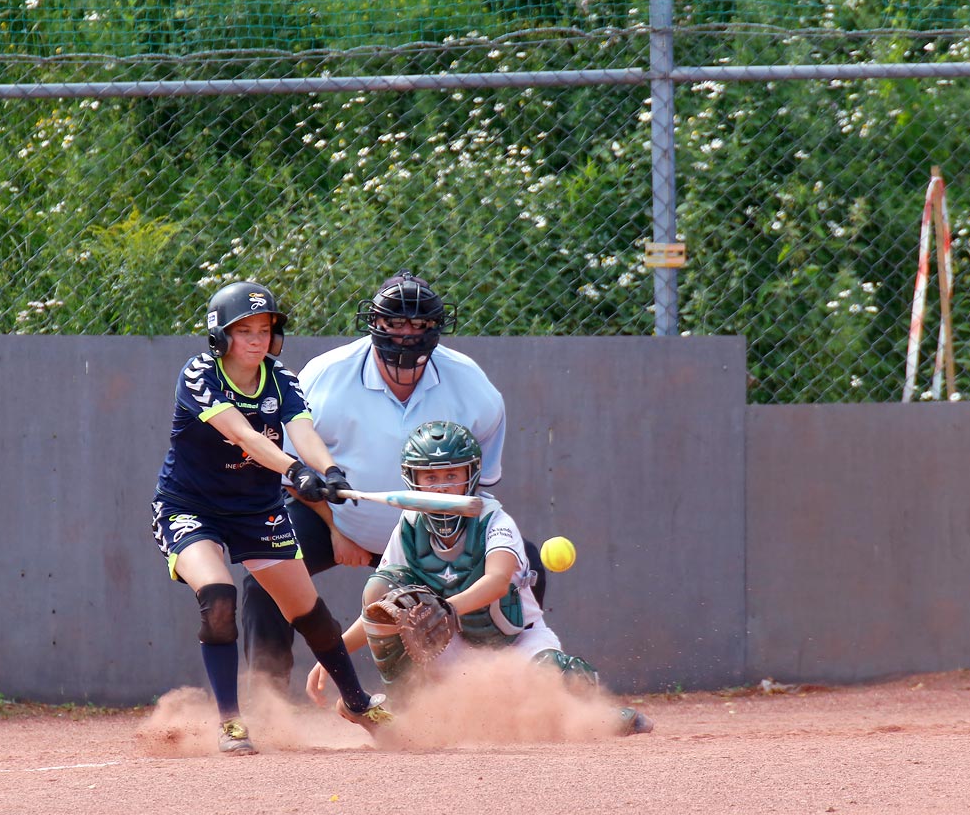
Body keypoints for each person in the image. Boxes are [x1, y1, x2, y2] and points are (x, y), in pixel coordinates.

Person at [240, 272, 549, 686]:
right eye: (395, 323)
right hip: (338, 522)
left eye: (419, 325)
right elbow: (293, 469)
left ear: (436, 328)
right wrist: (335, 531)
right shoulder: (326, 376)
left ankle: (501, 687)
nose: (407, 335)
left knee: (523, 562)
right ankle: (268, 700)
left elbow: (477, 486)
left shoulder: (472, 386)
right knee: (267, 572)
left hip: (433, 537)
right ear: (375, 323)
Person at [151, 280, 393, 755]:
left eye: (265, 330)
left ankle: (359, 703)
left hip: (256, 510)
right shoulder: (200, 374)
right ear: (220, 337)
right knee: (218, 596)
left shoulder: (281, 378)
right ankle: (231, 723)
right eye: (245, 331)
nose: (258, 340)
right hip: (189, 508)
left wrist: (329, 471)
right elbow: (246, 437)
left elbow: (302, 430)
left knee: (308, 612)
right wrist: (295, 472)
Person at [304, 420, 652, 734]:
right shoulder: (409, 526)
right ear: (413, 480)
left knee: (566, 680)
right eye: (431, 478)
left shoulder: (494, 520)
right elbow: (380, 608)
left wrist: (447, 609)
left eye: (451, 475)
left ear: (471, 475)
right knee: (382, 588)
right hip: (450, 649)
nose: (441, 488)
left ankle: (590, 715)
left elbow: (497, 579)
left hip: (516, 642)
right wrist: (334, 653)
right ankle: (403, 708)